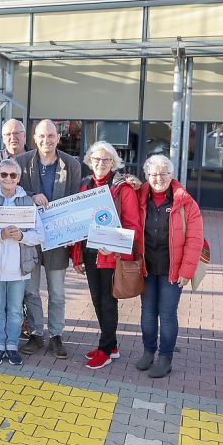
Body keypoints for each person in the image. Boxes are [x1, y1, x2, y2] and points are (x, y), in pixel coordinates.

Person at [71, 141, 143, 370]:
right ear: (90, 161)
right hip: (90, 252)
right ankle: (110, 346)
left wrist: (114, 246)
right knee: (96, 299)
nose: (101, 164)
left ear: (114, 162)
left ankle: (105, 349)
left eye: (106, 160)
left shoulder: (124, 189)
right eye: (96, 159)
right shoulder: (85, 185)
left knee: (107, 302)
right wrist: (76, 255)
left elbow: (134, 226)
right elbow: (78, 224)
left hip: (111, 255)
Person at [16, 119, 82, 359]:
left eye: (51, 136)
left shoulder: (71, 164)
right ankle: (35, 332)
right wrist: (32, 196)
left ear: (58, 137)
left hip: (57, 238)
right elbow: (15, 194)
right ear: (34, 138)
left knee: (57, 292)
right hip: (31, 238)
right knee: (31, 290)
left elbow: (74, 200)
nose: (46, 140)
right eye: (42, 136)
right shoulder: (21, 163)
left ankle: (56, 334)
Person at [136, 154, 204, 379]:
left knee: (166, 314)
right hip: (146, 269)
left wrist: (187, 272)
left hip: (172, 271)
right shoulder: (138, 197)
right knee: (147, 314)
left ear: (172, 175)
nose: (158, 178)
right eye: (153, 174)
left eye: (163, 174)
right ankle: (148, 352)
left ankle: (165, 358)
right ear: (146, 176)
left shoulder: (185, 203)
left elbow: (195, 241)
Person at [0, 159, 44, 366]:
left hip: (19, 268)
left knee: (15, 310)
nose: (8, 179)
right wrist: (0, 235)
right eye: (4, 175)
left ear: (19, 177)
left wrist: (21, 237)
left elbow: (40, 235)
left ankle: (12, 346)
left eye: (13, 175)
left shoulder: (28, 202)